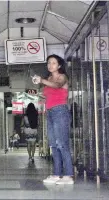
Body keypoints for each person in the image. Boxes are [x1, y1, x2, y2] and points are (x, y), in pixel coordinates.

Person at [33, 54, 74, 185]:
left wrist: (41, 81)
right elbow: (48, 96)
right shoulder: (49, 78)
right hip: (50, 112)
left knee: (62, 144)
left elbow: (57, 86)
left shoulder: (62, 77)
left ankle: (68, 175)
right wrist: (39, 96)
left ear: (59, 65)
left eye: (53, 63)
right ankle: (57, 174)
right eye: (49, 63)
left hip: (60, 111)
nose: (50, 65)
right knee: (53, 145)